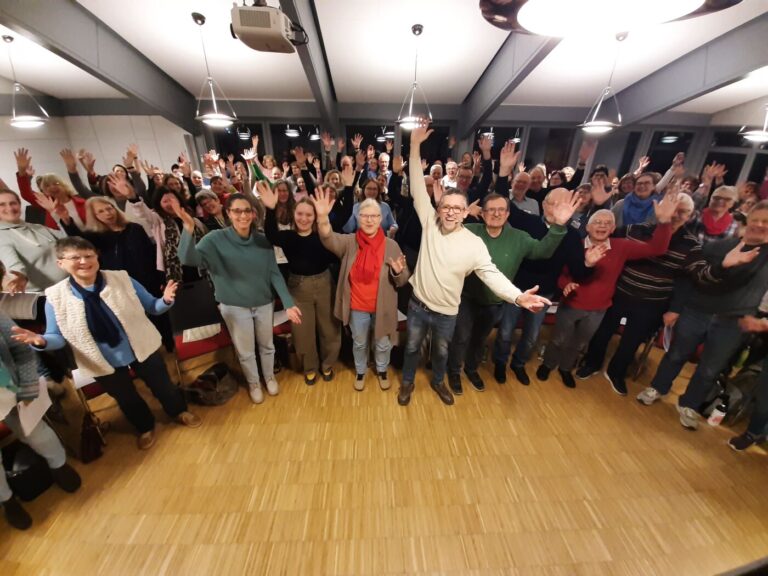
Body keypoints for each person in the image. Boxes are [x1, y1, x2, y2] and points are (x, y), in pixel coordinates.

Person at [398, 123, 550, 407]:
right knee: (411, 347)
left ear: (466, 212)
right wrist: (415, 145)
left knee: (442, 353)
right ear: (439, 208)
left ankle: (439, 382)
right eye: (446, 206)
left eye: (458, 208)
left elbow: (492, 275)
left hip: (447, 313)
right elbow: (418, 185)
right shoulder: (429, 223)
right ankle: (407, 384)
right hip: (418, 306)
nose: (451, 212)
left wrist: (517, 296)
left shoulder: (473, 243)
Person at [11, 237, 201, 450]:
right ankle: (145, 426)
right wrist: (41, 340)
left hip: (142, 345)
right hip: (99, 360)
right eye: (75, 257)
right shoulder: (55, 297)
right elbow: (56, 337)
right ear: (61, 263)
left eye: (88, 255)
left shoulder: (121, 278)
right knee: (126, 398)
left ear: (96, 257)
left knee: (164, 386)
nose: (84, 261)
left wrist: (165, 300)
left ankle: (178, 411)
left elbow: (153, 307)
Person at [637, 202, 768, 430]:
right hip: (697, 310)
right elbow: (689, 278)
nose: (759, 225)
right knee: (676, 354)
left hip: (734, 322)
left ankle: (689, 404)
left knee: (710, 368)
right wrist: (676, 308)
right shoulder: (718, 247)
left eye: (766, 222)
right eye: (756, 219)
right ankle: (658, 387)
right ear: (747, 221)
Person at [537, 195, 679, 389]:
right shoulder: (575, 246)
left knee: (580, 344)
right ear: (588, 227)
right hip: (571, 304)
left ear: (613, 228)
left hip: (599, 309)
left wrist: (664, 223)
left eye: (607, 223)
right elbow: (562, 274)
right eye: (597, 222)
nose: (602, 225)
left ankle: (565, 368)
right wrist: (566, 285)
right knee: (559, 339)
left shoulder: (622, 246)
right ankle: (548, 364)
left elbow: (657, 249)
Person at [446, 190, 580, 394]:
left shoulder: (519, 237)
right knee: (462, 337)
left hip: (494, 303)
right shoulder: (469, 230)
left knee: (479, 339)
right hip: (466, 298)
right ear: (482, 214)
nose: (496, 214)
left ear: (508, 214)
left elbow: (543, 251)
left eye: (501, 210)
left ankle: (472, 369)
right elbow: (444, 234)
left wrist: (558, 226)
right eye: (491, 210)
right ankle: (454, 371)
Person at [177, 193, 301, 404]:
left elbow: (273, 273)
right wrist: (188, 230)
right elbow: (188, 258)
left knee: (267, 345)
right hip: (234, 306)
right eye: (237, 211)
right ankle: (253, 383)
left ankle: (269, 377)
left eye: (247, 211)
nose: (243, 215)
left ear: (253, 214)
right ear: (228, 213)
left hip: (263, 302)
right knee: (245, 351)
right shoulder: (215, 239)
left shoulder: (262, 241)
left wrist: (288, 303)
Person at [577, 193, 700, 394]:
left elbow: (686, 281)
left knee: (631, 342)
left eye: (682, 211)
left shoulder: (691, 244)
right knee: (602, 333)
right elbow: (602, 232)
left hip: (653, 301)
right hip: (620, 292)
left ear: (691, 215)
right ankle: (591, 363)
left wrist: (675, 309)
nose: (675, 214)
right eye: (672, 208)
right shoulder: (636, 229)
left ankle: (616, 372)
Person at [312, 189, 409, 391]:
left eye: (374, 216)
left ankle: (382, 370)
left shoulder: (391, 245)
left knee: (383, 344)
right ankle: (361, 371)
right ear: (358, 217)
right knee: (359, 343)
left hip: (383, 306)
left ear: (381, 218)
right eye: (365, 215)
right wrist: (322, 217)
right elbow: (328, 238)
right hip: (357, 306)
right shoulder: (349, 242)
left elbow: (403, 281)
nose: (369, 220)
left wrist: (398, 273)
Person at [0, 312, 81, 530]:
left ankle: (59, 465)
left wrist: (28, 384)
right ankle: (7, 500)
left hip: (9, 388)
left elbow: (20, 347)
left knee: (36, 432)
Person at [261, 182, 341, 385]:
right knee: (302, 332)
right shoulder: (287, 237)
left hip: (324, 284)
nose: (304, 218)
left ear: (315, 217)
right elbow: (271, 234)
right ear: (294, 215)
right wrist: (270, 209)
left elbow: (339, 227)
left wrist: (344, 192)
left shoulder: (322, 237)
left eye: (309, 215)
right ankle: (310, 367)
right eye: (300, 214)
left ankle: (327, 364)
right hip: (298, 288)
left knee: (329, 328)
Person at [0, 189, 67, 293]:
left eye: (13, 203)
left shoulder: (36, 227)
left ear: (19, 205)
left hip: (68, 286)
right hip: (44, 296)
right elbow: (13, 264)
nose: (9, 208)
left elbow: (71, 241)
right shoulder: (2, 235)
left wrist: (56, 215)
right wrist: (19, 276)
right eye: (2, 204)